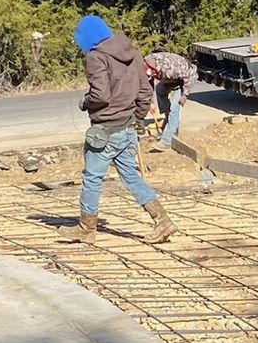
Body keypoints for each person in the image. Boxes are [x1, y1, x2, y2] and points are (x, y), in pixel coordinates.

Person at [61, 15, 175, 245]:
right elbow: (145, 92)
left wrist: (85, 102)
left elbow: (100, 95)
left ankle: (86, 228)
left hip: (105, 129)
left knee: (92, 178)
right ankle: (162, 220)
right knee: (131, 176)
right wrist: (136, 119)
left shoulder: (96, 57)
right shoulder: (132, 53)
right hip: (127, 127)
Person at [143, 49, 195, 152]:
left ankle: (166, 141)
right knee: (159, 90)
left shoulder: (169, 67)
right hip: (169, 80)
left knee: (175, 109)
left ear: (155, 70)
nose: (151, 77)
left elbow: (189, 75)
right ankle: (169, 122)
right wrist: (150, 102)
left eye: (152, 75)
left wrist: (185, 95)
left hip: (182, 80)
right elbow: (148, 85)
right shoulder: (147, 66)